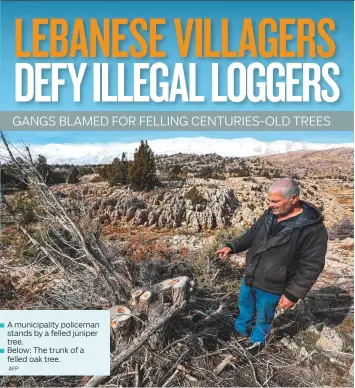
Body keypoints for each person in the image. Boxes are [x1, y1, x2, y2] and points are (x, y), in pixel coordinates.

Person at [216, 178, 328, 355]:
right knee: (244, 304)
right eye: (269, 200)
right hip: (251, 274)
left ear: (293, 198)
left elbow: (312, 266)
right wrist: (232, 246)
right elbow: (252, 234)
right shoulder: (270, 214)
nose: (270, 205)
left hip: (273, 285)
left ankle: (256, 343)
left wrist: (292, 294)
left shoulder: (313, 229)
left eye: (275, 201)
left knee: (264, 316)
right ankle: (239, 331)